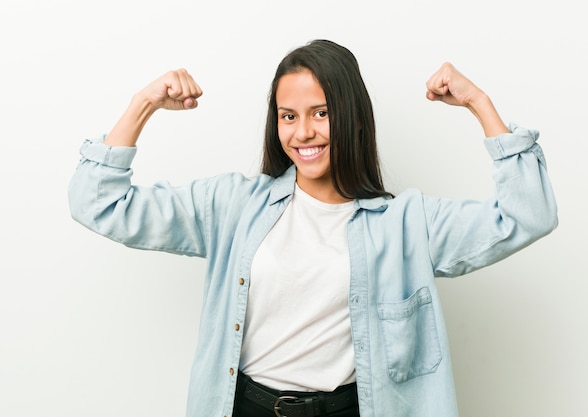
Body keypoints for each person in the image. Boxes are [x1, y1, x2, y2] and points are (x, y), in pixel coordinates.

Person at [68, 39, 557, 417]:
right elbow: (100, 203)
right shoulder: (233, 206)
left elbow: (527, 215)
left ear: (353, 118)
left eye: (321, 113)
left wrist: (480, 103)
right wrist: (142, 105)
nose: (303, 132)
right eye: (289, 116)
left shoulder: (407, 224)